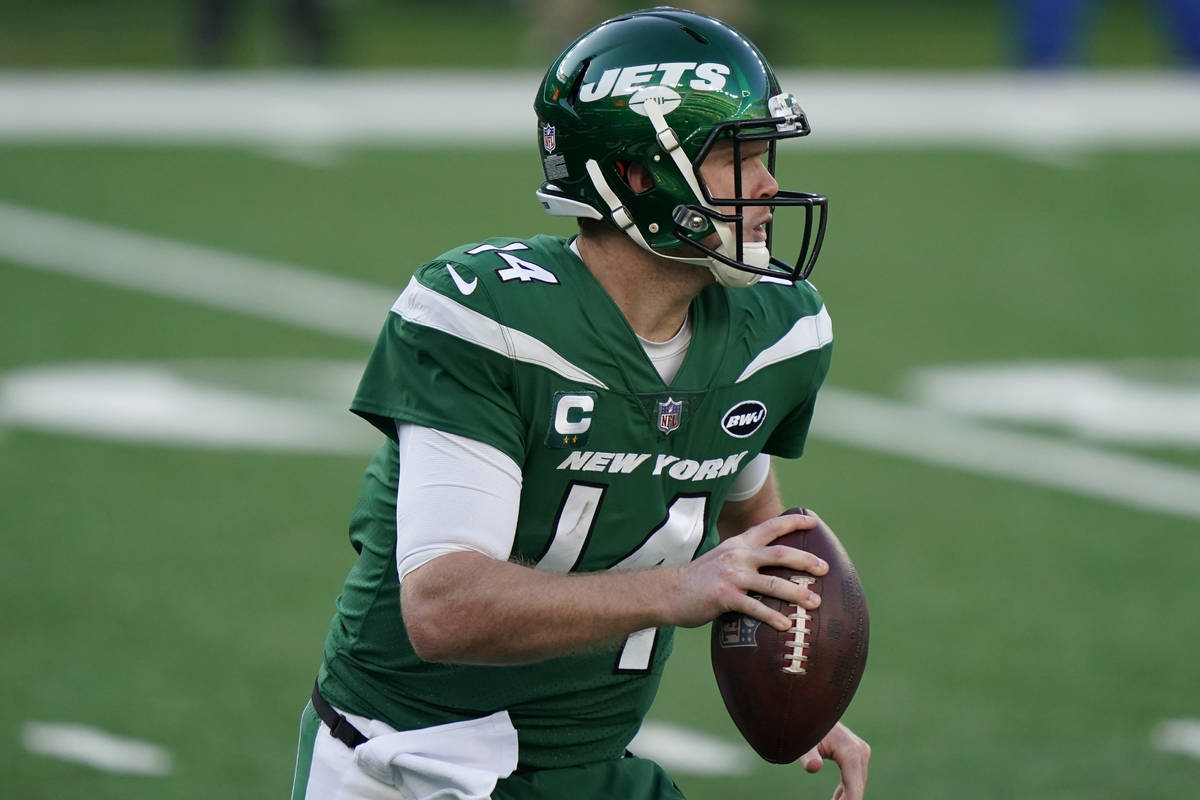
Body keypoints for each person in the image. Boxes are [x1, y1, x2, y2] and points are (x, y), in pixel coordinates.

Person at [291, 8, 869, 800]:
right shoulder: (486, 316)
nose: (769, 185)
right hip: (418, 762)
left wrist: (798, 684)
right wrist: (679, 587)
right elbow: (444, 608)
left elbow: (757, 534)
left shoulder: (775, 330)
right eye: (739, 158)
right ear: (636, 175)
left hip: (594, 763)